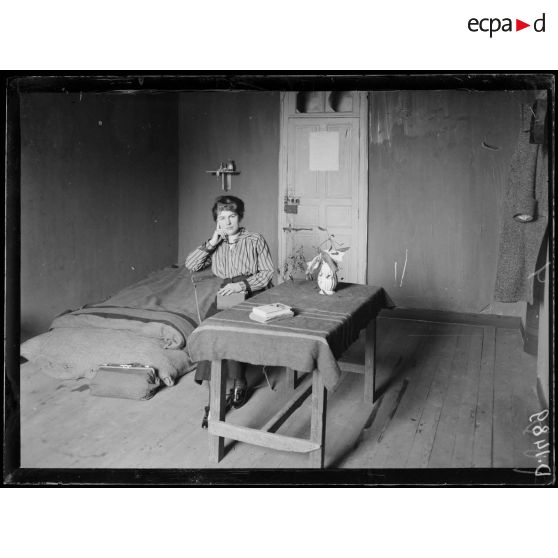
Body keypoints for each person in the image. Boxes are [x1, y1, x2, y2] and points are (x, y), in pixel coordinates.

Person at [185, 195, 274, 427]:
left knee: (230, 330)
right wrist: (212, 242)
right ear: (216, 221)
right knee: (210, 331)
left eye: (232, 216)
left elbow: (267, 273)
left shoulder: (254, 239)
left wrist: (242, 285)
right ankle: (214, 400)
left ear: (240, 217)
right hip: (227, 293)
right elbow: (191, 265)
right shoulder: (216, 243)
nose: (227, 222)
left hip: (253, 292)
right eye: (222, 218)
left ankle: (239, 382)